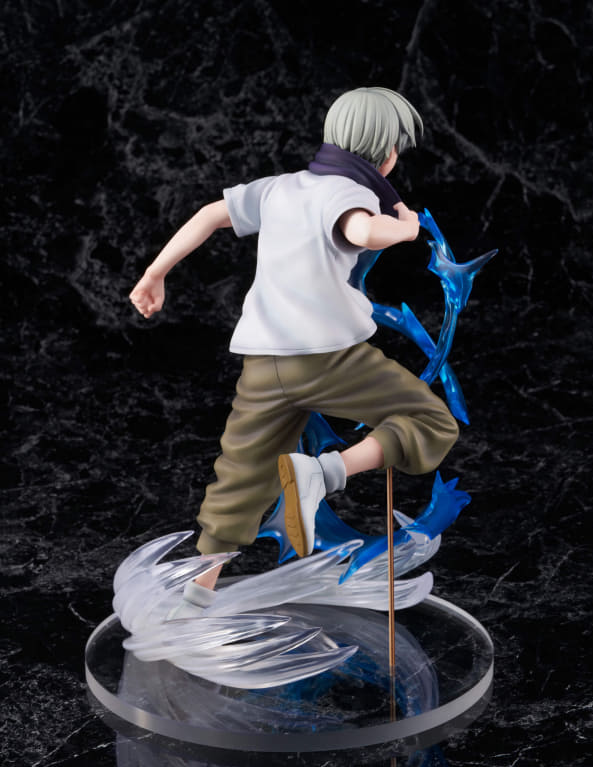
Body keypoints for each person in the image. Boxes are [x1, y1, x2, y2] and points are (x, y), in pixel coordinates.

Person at [129, 87, 459, 591]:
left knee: (241, 478)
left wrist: (155, 273)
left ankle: (195, 595)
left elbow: (210, 215)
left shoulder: (280, 188)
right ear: (388, 151)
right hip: (328, 359)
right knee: (430, 421)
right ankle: (324, 474)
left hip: (264, 363)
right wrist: (405, 229)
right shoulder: (348, 193)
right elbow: (362, 232)